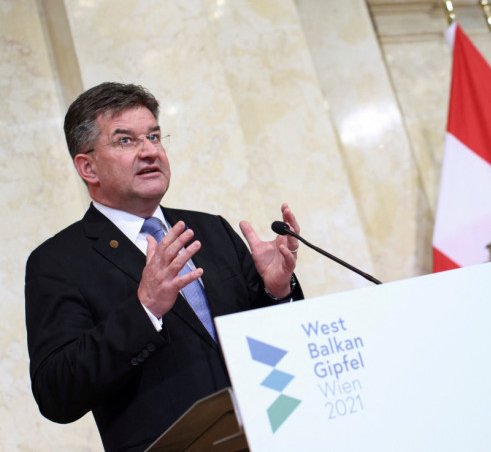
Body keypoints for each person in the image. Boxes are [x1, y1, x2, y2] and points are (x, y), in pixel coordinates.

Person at [25, 82, 304, 451]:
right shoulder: (58, 261)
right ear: (87, 166)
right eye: (126, 141)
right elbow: (56, 393)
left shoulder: (212, 230)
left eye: (154, 136)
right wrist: (145, 310)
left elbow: (280, 346)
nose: (150, 151)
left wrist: (276, 292)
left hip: (275, 434)